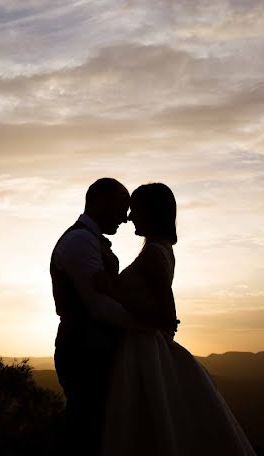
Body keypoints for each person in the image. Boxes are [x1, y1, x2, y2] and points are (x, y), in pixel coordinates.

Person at [97, 183, 255, 456]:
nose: (129, 217)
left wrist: (111, 289)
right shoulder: (160, 249)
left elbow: (165, 315)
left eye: (135, 210)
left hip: (142, 348)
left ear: (151, 212)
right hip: (140, 345)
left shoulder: (155, 253)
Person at [50, 178, 161, 455]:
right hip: (84, 351)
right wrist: (149, 325)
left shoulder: (89, 241)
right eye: (122, 208)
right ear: (101, 202)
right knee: (87, 430)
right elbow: (98, 306)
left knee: (102, 429)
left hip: (96, 349)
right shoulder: (79, 241)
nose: (125, 219)